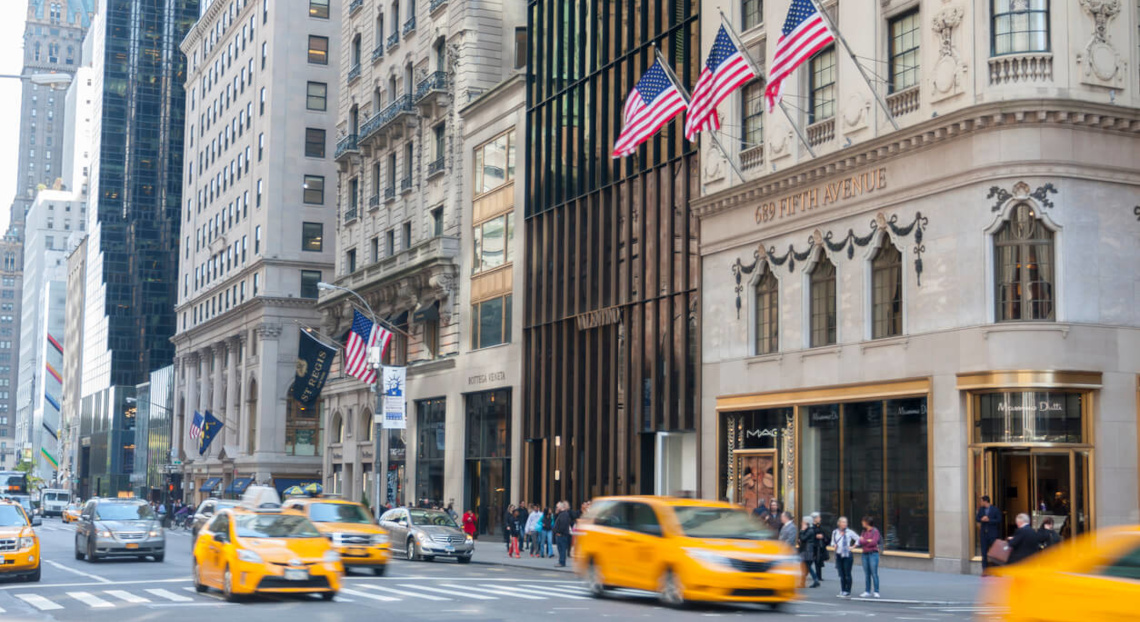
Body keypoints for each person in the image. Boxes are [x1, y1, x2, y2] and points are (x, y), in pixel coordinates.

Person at [831, 516, 859, 598]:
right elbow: (832, 542)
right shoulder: (835, 532)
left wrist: (853, 546)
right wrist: (834, 545)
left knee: (847, 573)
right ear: (839, 523)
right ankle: (843, 589)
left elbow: (858, 539)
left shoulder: (849, 532)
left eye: (845, 522)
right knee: (841, 574)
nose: (844, 524)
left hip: (847, 555)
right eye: (843, 522)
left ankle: (848, 590)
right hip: (839, 554)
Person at [976, 495, 1001, 574]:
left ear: (985, 501)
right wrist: (981, 519)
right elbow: (977, 518)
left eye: (981, 501)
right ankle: (985, 570)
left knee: (995, 553)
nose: (980, 502)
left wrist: (989, 520)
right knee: (984, 553)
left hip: (992, 533)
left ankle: (996, 570)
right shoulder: (981, 509)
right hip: (984, 534)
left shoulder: (995, 509)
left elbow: (999, 520)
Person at [858, 516, 881, 598]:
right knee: (867, 573)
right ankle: (867, 591)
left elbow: (874, 542)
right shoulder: (863, 531)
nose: (862, 523)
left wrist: (865, 541)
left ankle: (876, 591)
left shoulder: (875, 531)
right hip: (865, 553)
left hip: (873, 554)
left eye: (863, 522)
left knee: (874, 573)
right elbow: (860, 541)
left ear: (866, 523)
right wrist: (867, 541)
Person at [798, 517, 820, 588]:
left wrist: (801, 531)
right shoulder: (808, 530)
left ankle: (815, 580)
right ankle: (804, 582)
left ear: (807, 523)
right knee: (806, 567)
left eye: (803, 522)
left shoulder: (810, 530)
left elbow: (803, 538)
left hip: (807, 551)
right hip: (806, 550)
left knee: (806, 566)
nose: (802, 524)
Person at [553, 501, 573, 567]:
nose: (556, 508)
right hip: (561, 534)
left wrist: (559, 532)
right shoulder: (561, 514)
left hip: (561, 535)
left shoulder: (564, 514)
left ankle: (562, 562)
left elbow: (563, 525)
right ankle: (561, 561)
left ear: (561, 507)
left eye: (557, 506)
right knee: (561, 549)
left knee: (562, 549)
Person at [811, 512, 827, 581]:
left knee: (818, 561)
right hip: (813, 546)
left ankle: (818, 576)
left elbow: (824, 533)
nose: (820, 519)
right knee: (809, 562)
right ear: (815, 519)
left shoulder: (819, 526)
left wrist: (822, 536)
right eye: (818, 517)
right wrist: (815, 536)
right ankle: (805, 574)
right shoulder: (811, 526)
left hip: (819, 546)